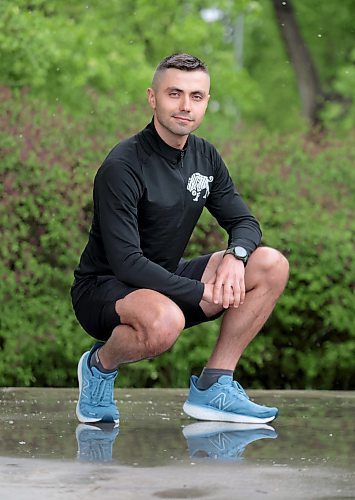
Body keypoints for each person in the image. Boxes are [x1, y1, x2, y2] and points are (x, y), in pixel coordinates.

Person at [71, 53, 289, 426]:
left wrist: (236, 257)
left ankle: (215, 386)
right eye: (175, 94)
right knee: (165, 322)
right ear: (153, 98)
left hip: (166, 278)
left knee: (270, 264)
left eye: (197, 96)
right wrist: (199, 293)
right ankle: (98, 366)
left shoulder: (204, 155)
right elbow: (126, 262)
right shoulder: (122, 166)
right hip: (105, 288)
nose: (186, 106)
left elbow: (244, 221)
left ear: (206, 102)